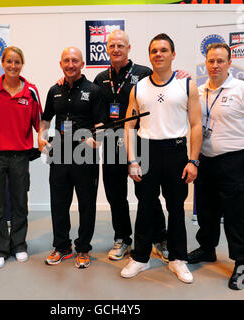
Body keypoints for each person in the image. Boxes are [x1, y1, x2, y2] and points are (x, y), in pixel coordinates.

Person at [120, 33, 203, 284]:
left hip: (176, 152)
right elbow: (129, 126)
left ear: (173, 55)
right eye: (154, 50)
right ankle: (141, 257)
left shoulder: (186, 84)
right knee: (145, 207)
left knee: (176, 208)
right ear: (149, 55)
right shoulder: (139, 87)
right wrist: (132, 160)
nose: (159, 54)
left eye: (164, 50)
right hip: (146, 151)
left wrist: (193, 160)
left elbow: (197, 124)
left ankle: (178, 259)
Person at [93, 29, 181, 263]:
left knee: (147, 194)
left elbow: (164, 83)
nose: (116, 49)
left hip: (139, 142)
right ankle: (122, 238)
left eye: (120, 45)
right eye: (112, 46)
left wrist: (181, 74)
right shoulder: (100, 78)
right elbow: (96, 107)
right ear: (107, 49)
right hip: (112, 143)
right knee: (115, 194)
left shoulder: (143, 73)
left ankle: (159, 239)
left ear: (129, 48)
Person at [187, 43, 244, 290]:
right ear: (206, 61)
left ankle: (242, 262)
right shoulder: (199, 92)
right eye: (211, 60)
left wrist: (242, 140)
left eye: (220, 61)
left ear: (229, 63)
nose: (215, 65)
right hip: (205, 159)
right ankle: (207, 248)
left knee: (235, 215)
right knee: (206, 209)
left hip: (234, 160)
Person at [38, 47, 105, 269]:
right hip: (59, 152)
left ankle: (83, 248)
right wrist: (41, 137)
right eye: (66, 60)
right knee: (59, 202)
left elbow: (101, 125)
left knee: (86, 204)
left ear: (82, 64)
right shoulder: (53, 90)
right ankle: (62, 247)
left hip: (84, 153)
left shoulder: (93, 90)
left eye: (75, 60)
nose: (70, 64)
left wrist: (96, 140)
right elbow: (46, 119)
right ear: (61, 64)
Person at [0, 46, 42, 269]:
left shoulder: (31, 91)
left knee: (19, 203)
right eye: (9, 61)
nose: (13, 66)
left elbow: (40, 124)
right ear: (2, 63)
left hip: (20, 155)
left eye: (17, 62)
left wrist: (43, 141)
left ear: (22, 64)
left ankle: (19, 245)